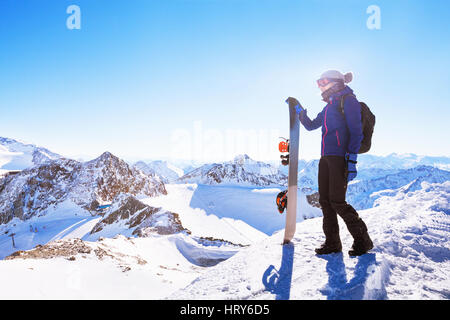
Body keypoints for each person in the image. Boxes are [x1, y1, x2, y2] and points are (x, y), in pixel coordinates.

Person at [287, 70, 373, 256]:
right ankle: (332, 243)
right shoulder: (329, 107)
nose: (320, 86)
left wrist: (351, 159)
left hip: (339, 158)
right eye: (318, 83)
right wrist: (299, 110)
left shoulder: (348, 100)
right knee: (325, 202)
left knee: (337, 201)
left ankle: (363, 240)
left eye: (323, 81)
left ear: (336, 82)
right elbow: (311, 125)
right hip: (325, 158)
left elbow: (356, 131)